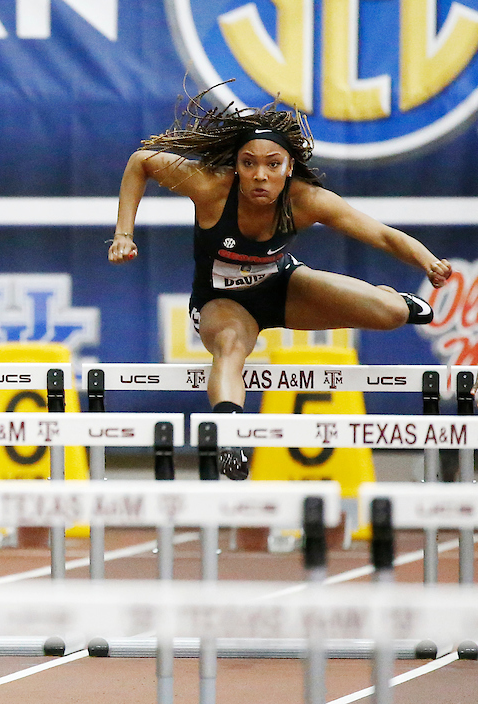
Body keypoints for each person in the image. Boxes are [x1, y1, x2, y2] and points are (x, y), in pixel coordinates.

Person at [109, 88, 451, 479]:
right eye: (249, 163)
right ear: (235, 166)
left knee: (392, 314)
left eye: (273, 164)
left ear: (289, 167)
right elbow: (141, 162)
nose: (260, 175)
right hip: (221, 303)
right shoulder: (210, 187)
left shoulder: (308, 200)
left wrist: (427, 261)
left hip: (283, 287)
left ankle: (391, 299)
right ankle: (229, 436)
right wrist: (123, 234)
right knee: (231, 345)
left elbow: (382, 234)